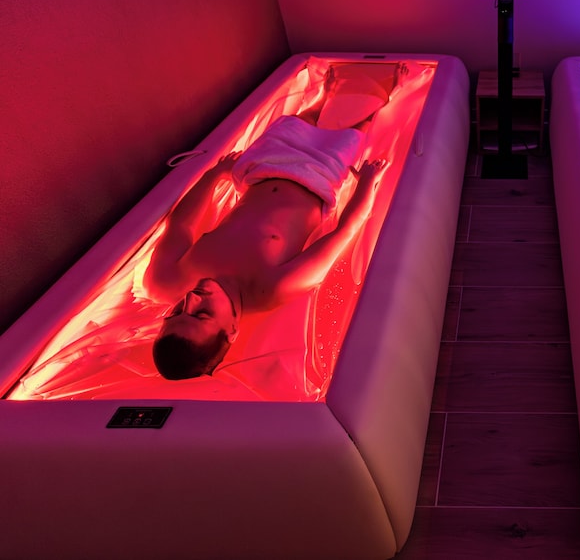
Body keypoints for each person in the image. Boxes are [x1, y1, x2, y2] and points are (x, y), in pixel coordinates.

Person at [144, 64, 393, 379]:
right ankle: (388, 85)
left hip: (261, 169)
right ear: (232, 330)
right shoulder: (271, 287)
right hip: (319, 175)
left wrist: (215, 175)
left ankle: (325, 94)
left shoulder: (166, 279)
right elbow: (344, 233)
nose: (191, 299)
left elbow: (180, 225)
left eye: (176, 312)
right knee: (358, 123)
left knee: (300, 120)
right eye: (202, 314)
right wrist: (367, 183)